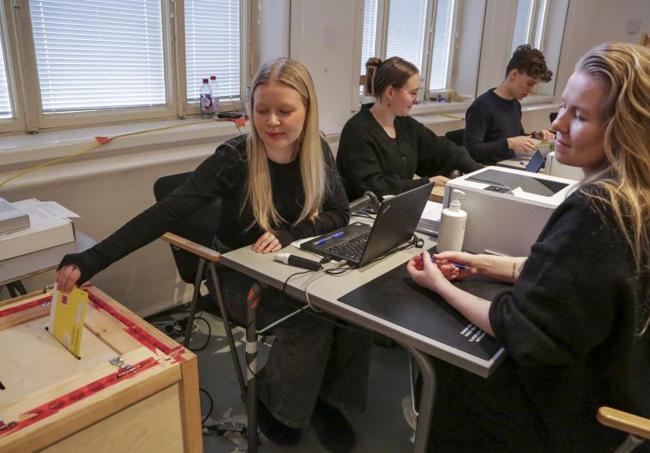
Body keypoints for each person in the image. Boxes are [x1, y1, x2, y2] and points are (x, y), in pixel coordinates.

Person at [55, 58, 371, 452]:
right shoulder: (235, 158)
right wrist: (92, 259)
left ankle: (320, 399)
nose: (271, 122)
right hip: (234, 274)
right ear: (250, 108)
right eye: (261, 110)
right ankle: (279, 409)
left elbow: (340, 212)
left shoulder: (317, 150)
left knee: (353, 306)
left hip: (287, 266)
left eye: (285, 111)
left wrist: (291, 233)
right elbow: (163, 215)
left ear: (307, 111)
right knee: (309, 321)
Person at [408, 42, 650, 451]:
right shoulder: (634, 203)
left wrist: (439, 285)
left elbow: (520, 327)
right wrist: (485, 265)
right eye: (563, 109)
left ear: (624, 129)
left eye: (580, 117)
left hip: (563, 413)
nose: (557, 125)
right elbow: (577, 279)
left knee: (443, 369)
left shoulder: (598, 211)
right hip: (607, 383)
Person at [336, 56, 481, 201]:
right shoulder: (357, 132)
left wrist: (480, 174)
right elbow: (374, 188)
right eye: (412, 93)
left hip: (398, 208)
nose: (416, 99)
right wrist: (425, 184)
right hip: (364, 215)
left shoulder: (406, 125)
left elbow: (444, 151)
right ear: (390, 92)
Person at [464, 44, 555, 164]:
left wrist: (534, 136)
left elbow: (518, 137)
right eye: (529, 83)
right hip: (488, 168)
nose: (532, 90)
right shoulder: (482, 106)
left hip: (510, 163)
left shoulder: (515, 104)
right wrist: (508, 143)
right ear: (514, 75)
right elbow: (472, 150)